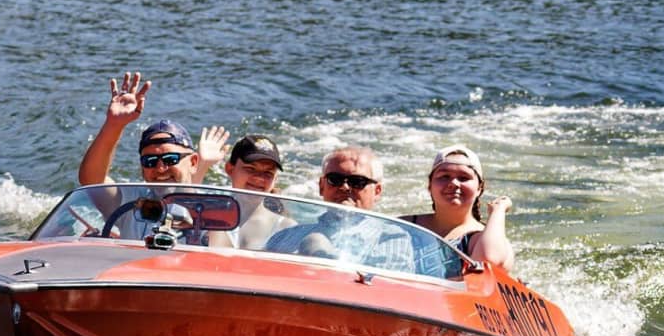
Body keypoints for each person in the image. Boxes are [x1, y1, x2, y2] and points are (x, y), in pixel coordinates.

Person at [265, 146, 414, 272]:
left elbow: (385, 291)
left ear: (377, 192)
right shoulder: (285, 236)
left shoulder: (393, 239)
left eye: (358, 181)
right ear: (321, 186)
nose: (345, 187)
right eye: (334, 179)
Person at [79, 71, 230, 186]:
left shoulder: (213, 203)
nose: (160, 168)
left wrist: (203, 165)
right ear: (142, 168)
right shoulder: (130, 203)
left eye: (171, 159)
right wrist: (114, 124)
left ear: (193, 162)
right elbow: (92, 182)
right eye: (150, 161)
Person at [399, 144, 514, 270]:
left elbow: (489, 260)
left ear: (479, 188)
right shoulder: (401, 227)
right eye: (444, 176)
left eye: (463, 178)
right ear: (430, 185)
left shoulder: (487, 239)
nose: (453, 183)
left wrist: (498, 211)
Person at [207, 134, 296, 249]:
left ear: (275, 179)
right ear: (230, 169)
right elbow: (187, 208)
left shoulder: (286, 229)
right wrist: (203, 165)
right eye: (250, 169)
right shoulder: (208, 215)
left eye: (268, 173)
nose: (259, 178)